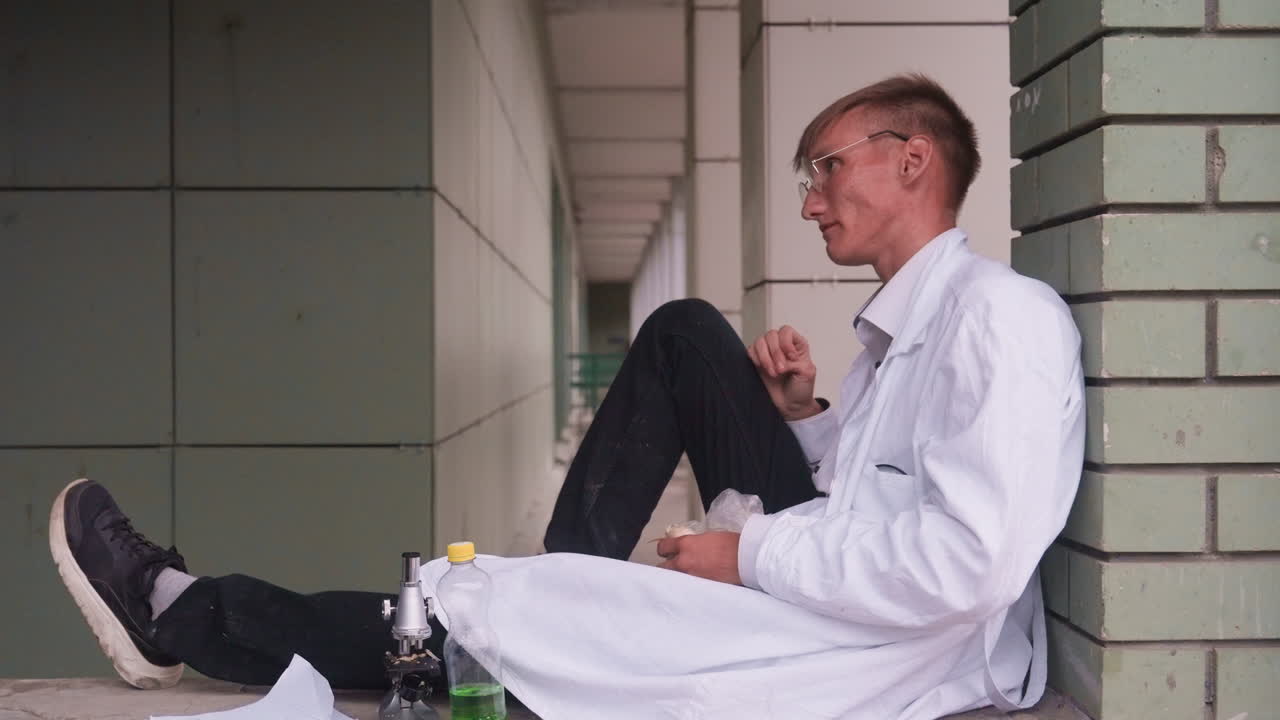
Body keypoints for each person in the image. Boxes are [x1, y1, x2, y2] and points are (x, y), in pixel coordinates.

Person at [49, 74, 1083, 719]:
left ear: (911, 162)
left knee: (489, 619)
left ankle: (181, 613)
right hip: (849, 585)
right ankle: (556, 606)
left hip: (892, 649)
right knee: (681, 337)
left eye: (823, 168)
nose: (808, 199)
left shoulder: (998, 317)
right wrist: (806, 420)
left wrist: (745, 551)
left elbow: (964, 563)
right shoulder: (902, 336)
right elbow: (872, 499)